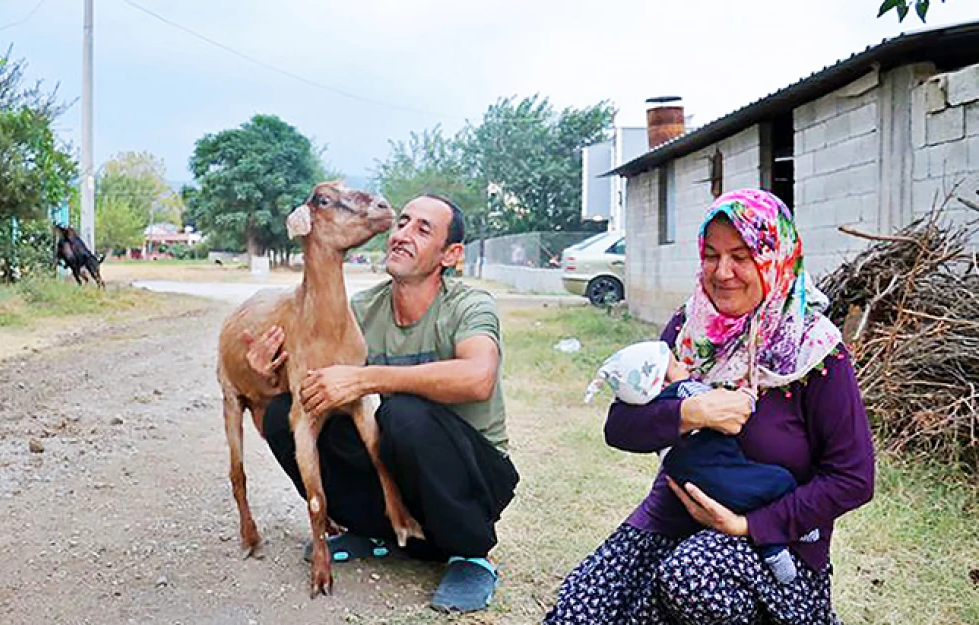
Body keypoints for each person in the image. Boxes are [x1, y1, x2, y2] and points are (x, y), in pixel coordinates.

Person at [545, 189, 876, 624]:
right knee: (576, 611)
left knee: (692, 578)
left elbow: (853, 477)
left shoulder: (815, 352)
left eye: (742, 256)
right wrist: (692, 413)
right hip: (671, 523)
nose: (723, 273)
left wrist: (749, 526)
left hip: (772, 543)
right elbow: (620, 426)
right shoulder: (689, 328)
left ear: (775, 256)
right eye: (711, 254)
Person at [244, 194, 519, 614]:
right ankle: (374, 530)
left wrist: (366, 377)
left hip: (475, 478)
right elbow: (315, 386)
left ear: (451, 254)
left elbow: (477, 378)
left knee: (402, 415)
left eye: (422, 229)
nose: (403, 234)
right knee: (286, 413)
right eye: (403, 222)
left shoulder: (468, 305)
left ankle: (470, 555)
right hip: (403, 469)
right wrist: (267, 373)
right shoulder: (362, 311)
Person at [585, 340, 819, 586]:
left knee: (743, 501)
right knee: (777, 482)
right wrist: (747, 396)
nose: (684, 363)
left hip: (687, 474)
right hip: (708, 465)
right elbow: (725, 404)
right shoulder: (684, 390)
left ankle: (774, 547)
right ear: (662, 382)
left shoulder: (649, 404)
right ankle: (793, 529)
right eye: (675, 364)